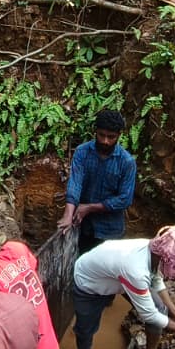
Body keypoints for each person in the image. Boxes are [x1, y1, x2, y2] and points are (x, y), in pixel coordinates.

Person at [58, 109, 137, 254]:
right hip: (85, 228)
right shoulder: (82, 152)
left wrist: (89, 208)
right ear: (95, 131)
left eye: (111, 137)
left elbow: (125, 199)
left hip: (111, 232)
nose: (105, 141)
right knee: (83, 262)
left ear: (119, 135)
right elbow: (75, 183)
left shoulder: (126, 162)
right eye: (101, 135)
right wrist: (68, 215)